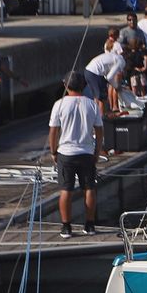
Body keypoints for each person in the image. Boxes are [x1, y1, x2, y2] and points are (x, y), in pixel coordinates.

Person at [48, 70, 104, 239]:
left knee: (66, 189)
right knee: (89, 188)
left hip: (66, 153)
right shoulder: (92, 104)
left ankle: (66, 227)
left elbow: (53, 131)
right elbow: (99, 131)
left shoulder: (59, 104)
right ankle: (90, 225)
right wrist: (97, 151)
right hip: (86, 152)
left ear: (66, 85)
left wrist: (53, 151)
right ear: (84, 86)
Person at [84, 38, 126, 120]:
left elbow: (107, 76)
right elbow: (110, 77)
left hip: (88, 70)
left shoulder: (113, 56)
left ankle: (96, 116)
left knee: (96, 96)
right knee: (102, 97)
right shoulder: (121, 62)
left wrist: (115, 84)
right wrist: (117, 86)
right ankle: (102, 119)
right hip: (95, 72)